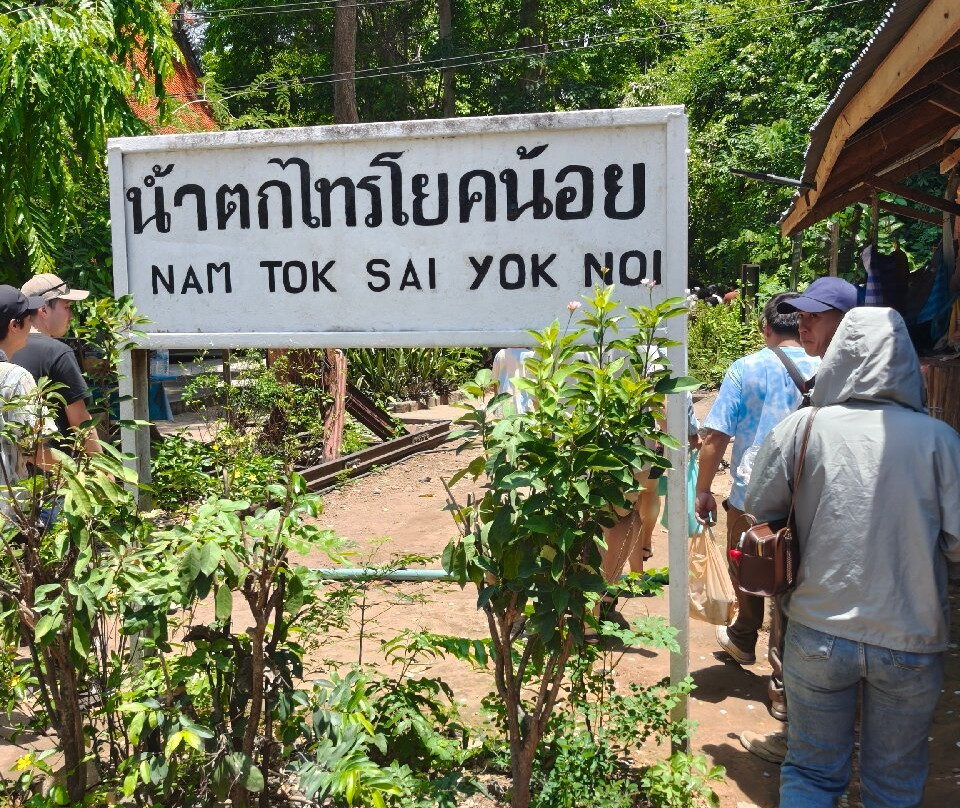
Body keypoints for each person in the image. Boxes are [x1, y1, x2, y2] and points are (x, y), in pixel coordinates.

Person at [744, 307, 960, 807]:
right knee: (894, 785)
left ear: (839, 358)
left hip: (817, 629)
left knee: (813, 774)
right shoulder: (941, 442)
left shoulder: (803, 428)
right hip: (910, 636)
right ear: (907, 362)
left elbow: (759, 508)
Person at [695, 292, 821, 669]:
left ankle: (744, 634)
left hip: (753, 494)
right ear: (803, 324)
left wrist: (703, 490)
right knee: (796, 574)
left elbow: (716, 436)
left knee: (747, 561)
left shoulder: (745, 369)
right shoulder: (827, 365)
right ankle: (786, 673)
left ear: (764, 327)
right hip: (811, 495)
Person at [15, 273, 101, 456]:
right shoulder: (58, 353)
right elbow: (80, 421)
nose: (71, 316)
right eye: (67, 307)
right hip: (53, 473)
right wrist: (104, 472)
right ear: (44, 310)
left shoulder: (6, 347)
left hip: (10, 471)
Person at [0, 285, 56, 518]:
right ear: (14, 325)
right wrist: (77, 474)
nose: (32, 326)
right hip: (6, 519)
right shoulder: (14, 377)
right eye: (27, 319)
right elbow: (33, 448)